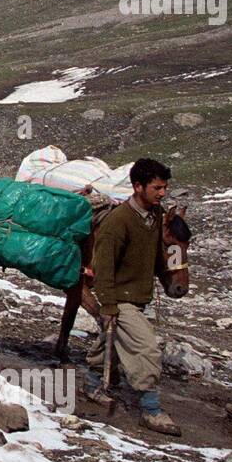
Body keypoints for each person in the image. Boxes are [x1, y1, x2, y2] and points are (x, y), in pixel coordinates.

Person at [86, 158, 181, 436]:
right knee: (146, 348)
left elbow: (154, 254)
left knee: (112, 342)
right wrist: (109, 304)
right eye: (157, 187)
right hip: (121, 298)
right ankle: (151, 410)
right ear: (137, 187)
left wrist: (165, 279)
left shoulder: (155, 215)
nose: (162, 193)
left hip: (137, 296)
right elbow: (102, 266)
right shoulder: (118, 222)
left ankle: (93, 383)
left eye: (164, 188)